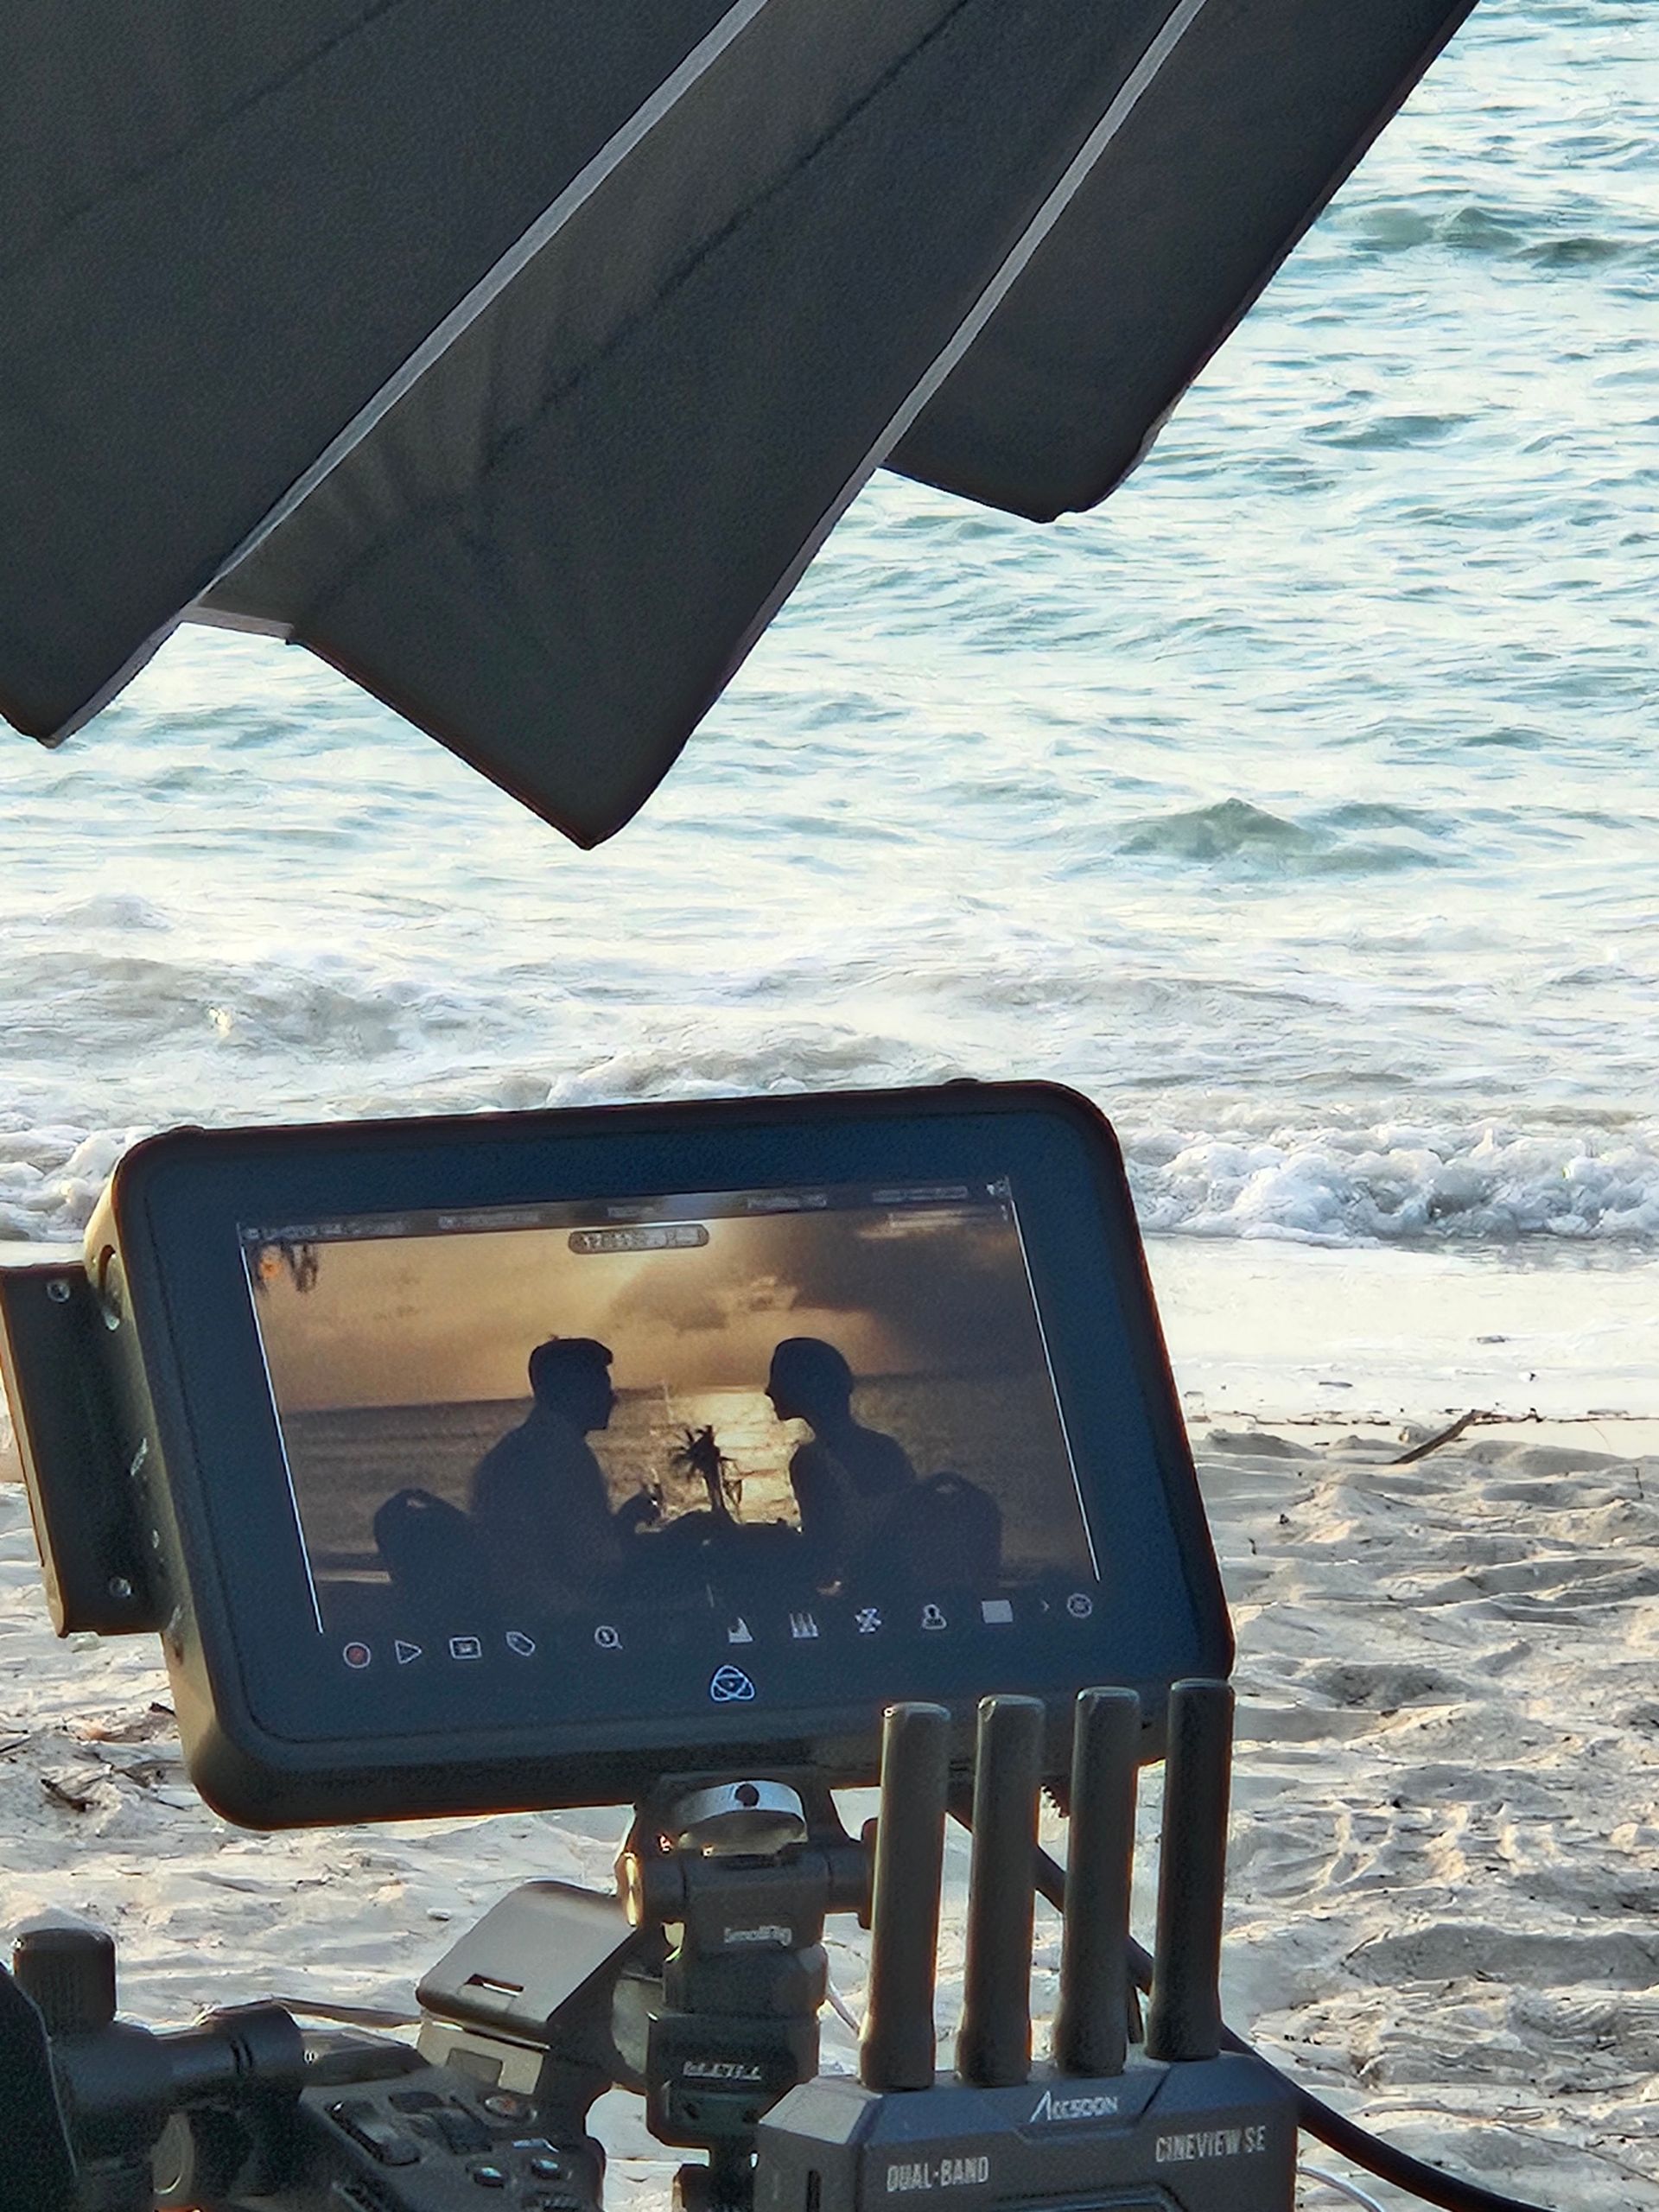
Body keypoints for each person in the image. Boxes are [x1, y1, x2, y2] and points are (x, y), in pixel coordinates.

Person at [470, 1337, 636, 1612]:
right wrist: (672, 1542)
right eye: (602, 1385)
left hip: (518, 1607)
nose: (613, 1397)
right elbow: (593, 1564)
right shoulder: (564, 1455)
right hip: (570, 1613)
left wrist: (624, 1524)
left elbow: (561, 1539)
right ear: (574, 1390)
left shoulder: (515, 1449)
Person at [765, 1337, 916, 1585]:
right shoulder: (887, 1448)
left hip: (861, 1592)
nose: (768, 1390)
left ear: (807, 1386)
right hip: (900, 1586)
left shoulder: (811, 1462)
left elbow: (822, 1560)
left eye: (778, 1376)